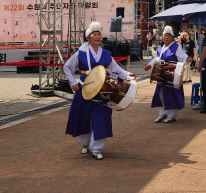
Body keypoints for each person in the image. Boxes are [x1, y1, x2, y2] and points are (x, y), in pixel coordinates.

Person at [64, 22, 134, 160]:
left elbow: (117, 69)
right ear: (88, 38)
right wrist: (73, 83)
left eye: (99, 34)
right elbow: (67, 67)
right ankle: (85, 143)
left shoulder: (107, 54)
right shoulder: (81, 53)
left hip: (103, 90)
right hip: (85, 89)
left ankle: (96, 148)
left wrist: (128, 75)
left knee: (101, 117)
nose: (97, 37)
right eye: (94, 34)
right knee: (83, 117)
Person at [144, 26, 189, 123]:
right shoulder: (160, 48)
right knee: (160, 94)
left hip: (171, 75)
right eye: (164, 35)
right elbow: (156, 60)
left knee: (170, 94)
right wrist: (149, 65)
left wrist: (187, 59)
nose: (166, 37)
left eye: (168, 35)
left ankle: (171, 115)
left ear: (172, 37)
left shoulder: (176, 47)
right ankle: (162, 113)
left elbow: (183, 57)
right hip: (161, 75)